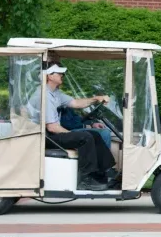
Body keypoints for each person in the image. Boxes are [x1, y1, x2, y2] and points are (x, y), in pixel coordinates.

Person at [31, 63, 118, 191]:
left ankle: (104, 173)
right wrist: (73, 135)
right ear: (49, 76)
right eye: (59, 73)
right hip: (45, 137)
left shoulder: (55, 93)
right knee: (85, 137)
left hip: (52, 133)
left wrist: (96, 98)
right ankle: (86, 179)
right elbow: (52, 127)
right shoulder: (44, 95)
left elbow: (76, 103)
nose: (62, 75)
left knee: (95, 134)